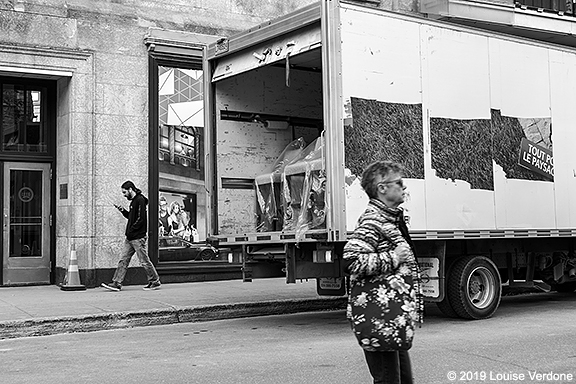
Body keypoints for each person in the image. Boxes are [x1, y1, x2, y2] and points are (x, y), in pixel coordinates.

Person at [343, 161, 423, 384]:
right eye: (399, 182)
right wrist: (393, 257)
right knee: (389, 380)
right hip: (380, 318)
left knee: (403, 379)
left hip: (391, 318)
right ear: (382, 188)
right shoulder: (373, 221)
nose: (404, 187)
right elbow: (350, 260)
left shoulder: (390, 219)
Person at [102, 181, 161, 291]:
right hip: (131, 238)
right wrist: (122, 211)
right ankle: (117, 283)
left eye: (124, 192)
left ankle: (154, 281)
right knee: (123, 260)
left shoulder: (140, 200)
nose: (124, 195)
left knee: (144, 261)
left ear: (130, 189)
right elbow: (131, 217)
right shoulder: (134, 201)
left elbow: (141, 219)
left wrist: (131, 231)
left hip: (137, 237)